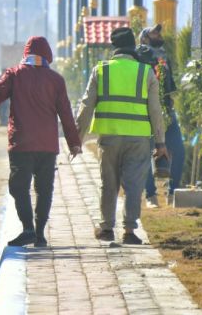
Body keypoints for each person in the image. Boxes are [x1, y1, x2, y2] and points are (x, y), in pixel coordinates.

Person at [0, 36, 82, 248]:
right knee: (44, 190)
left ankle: (28, 229)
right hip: (47, 146)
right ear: (48, 55)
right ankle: (39, 234)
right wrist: (74, 143)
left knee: (18, 187)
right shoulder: (56, 80)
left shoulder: (14, 74)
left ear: (26, 53)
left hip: (21, 144)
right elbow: (66, 114)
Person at [75, 27, 168, 245]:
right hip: (138, 139)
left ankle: (107, 228)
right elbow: (156, 110)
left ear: (114, 47)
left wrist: (77, 139)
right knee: (134, 185)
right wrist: (160, 142)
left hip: (109, 137)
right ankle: (129, 231)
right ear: (133, 46)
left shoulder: (101, 70)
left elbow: (86, 107)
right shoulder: (146, 72)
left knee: (109, 183)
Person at [137, 24, 185, 208]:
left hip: (166, 111)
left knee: (178, 150)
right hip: (146, 111)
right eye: (154, 33)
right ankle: (150, 195)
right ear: (144, 38)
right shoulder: (139, 55)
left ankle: (173, 192)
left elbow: (170, 85)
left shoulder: (164, 57)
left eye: (159, 32)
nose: (158, 35)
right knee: (146, 153)